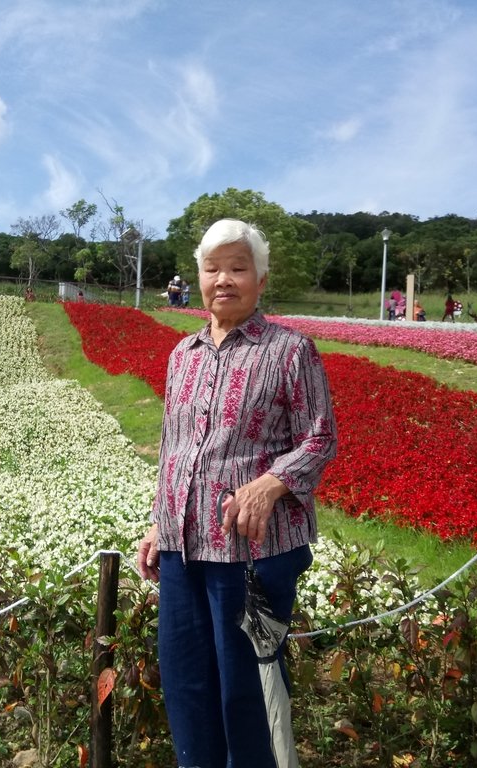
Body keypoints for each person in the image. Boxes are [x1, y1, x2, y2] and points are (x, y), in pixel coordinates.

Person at [137, 219, 337, 768]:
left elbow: (320, 438)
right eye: (212, 268)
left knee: (247, 694)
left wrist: (271, 484)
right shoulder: (184, 354)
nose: (223, 279)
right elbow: (174, 445)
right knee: (186, 685)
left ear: (260, 279)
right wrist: (160, 521)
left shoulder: (290, 351)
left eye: (237, 267)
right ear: (197, 278)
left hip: (253, 552)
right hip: (183, 550)